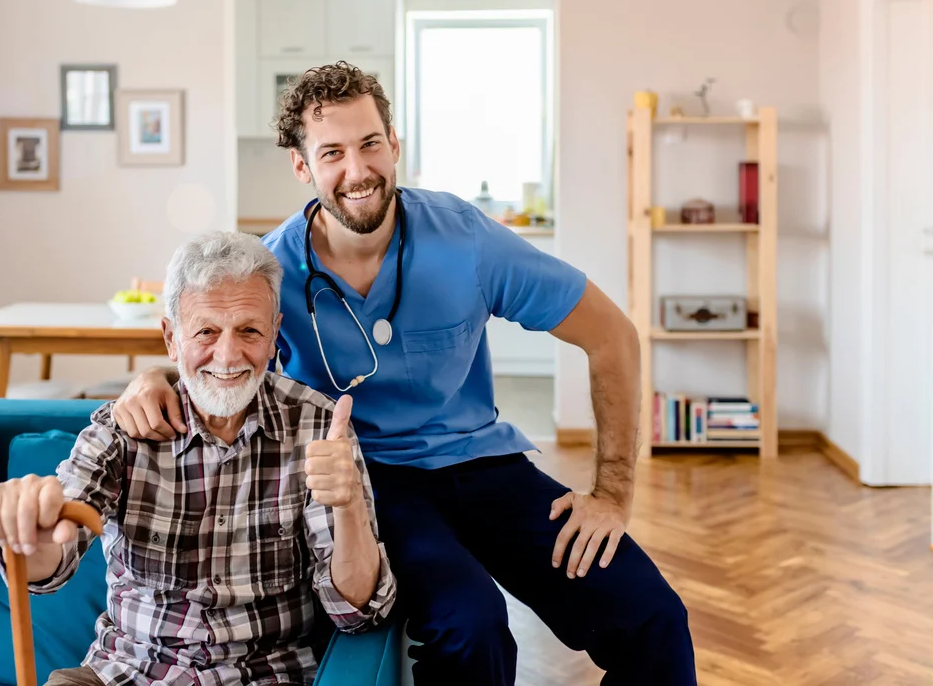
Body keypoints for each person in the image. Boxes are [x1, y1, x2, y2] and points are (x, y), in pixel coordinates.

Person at [112, 62, 696, 684]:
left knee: (653, 618)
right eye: (331, 152)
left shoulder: (466, 240)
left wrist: (611, 494)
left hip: (483, 466)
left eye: (370, 144)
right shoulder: (274, 270)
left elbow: (612, 336)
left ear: (396, 146)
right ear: (302, 167)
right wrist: (155, 377)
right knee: (471, 624)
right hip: (370, 481)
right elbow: (222, 354)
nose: (357, 170)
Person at [0, 231, 396, 686]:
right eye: (206, 332)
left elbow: (356, 613)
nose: (228, 354)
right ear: (171, 338)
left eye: (250, 331)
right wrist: (31, 531)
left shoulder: (319, 425)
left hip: (263, 676)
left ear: (275, 333)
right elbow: (48, 565)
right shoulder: (123, 427)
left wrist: (350, 504)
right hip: (124, 673)